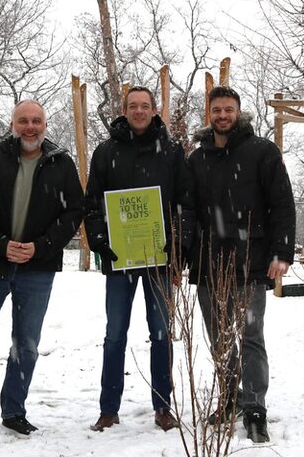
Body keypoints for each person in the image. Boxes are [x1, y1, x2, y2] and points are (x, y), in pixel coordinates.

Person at [0, 100, 84, 438]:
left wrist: (41, 247)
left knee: (27, 344)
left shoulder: (61, 163)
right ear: (12, 124)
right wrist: (0, 244)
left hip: (37, 267)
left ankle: (14, 411)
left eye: (37, 120)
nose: (30, 127)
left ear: (45, 125)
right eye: (23, 120)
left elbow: (73, 213)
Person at [187, 86, 296, 443]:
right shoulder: (197, 159)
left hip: (251, 262)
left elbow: (282, 203)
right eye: (217, 109)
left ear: (238, 112)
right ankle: (230, 397)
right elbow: (186, 212)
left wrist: (281, 252)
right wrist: (183, 255)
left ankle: (254, 408)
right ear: (209, 113)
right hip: (208, 265)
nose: (222, 115)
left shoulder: (262, 152)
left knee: (250, 336)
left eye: (228, 109)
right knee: (220, 340)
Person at [84, 86, 194, 432]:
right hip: (120, 260)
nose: (139, 111)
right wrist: (101, 242)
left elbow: (184, 203)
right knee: (115, 333)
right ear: (124, 110)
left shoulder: (172, 152)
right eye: (133, 106)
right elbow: (92, 204)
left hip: (160, 259)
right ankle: (108, 408)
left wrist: (177, 249)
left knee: (162, 334)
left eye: (145, 105)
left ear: (154, 109)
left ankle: (163, 407)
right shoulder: (105, 152)